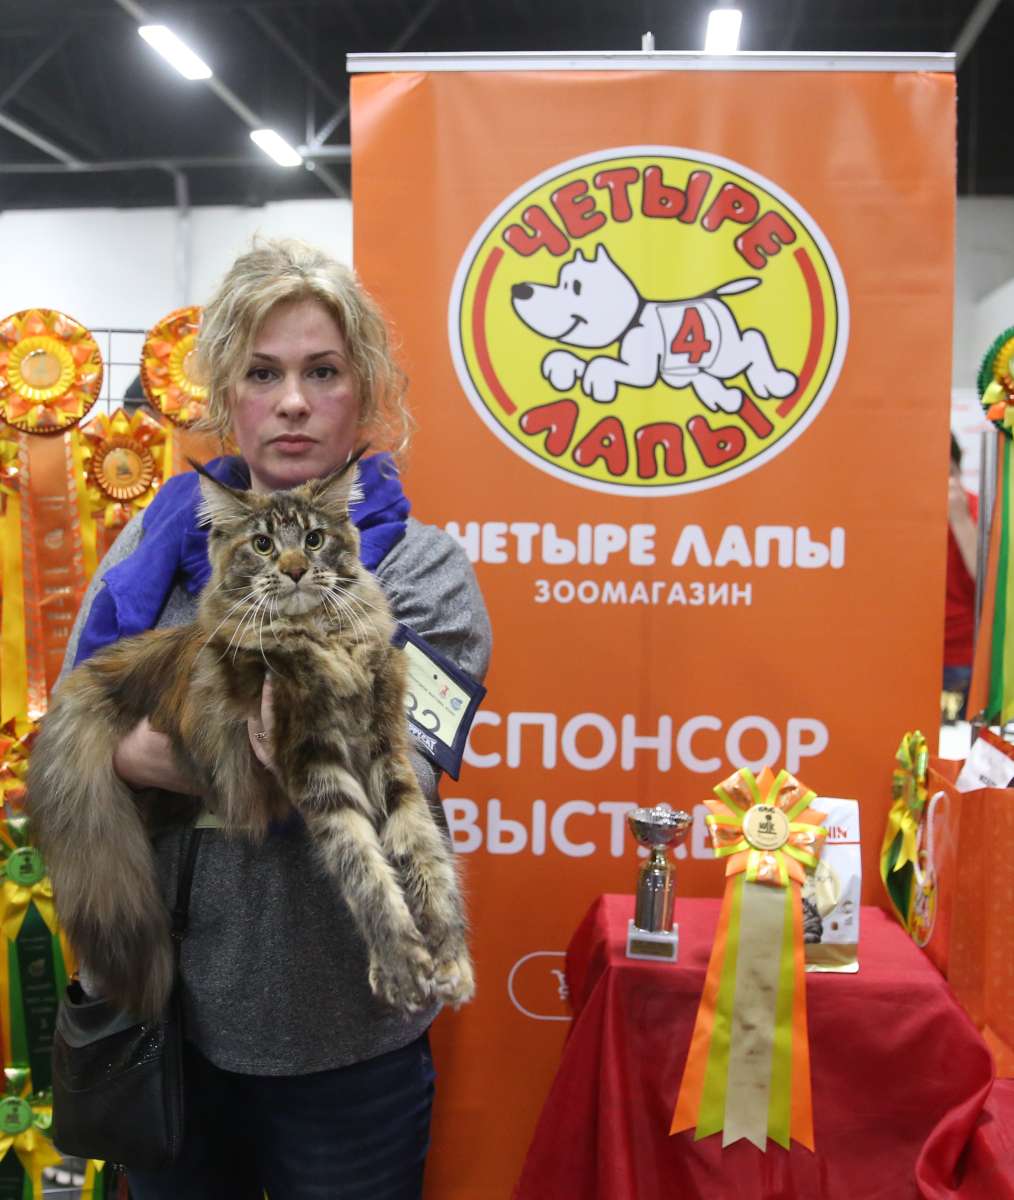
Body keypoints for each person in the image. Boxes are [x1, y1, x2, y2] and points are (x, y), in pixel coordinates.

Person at [59, 238, 492, 1198]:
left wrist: (158, 750)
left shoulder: (422, 569)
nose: (292, 400)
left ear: (363, 389)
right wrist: (147, 749)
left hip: (345, 1034)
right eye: (264, 373)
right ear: (226, 392)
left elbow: (392, 766)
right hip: (169, 1021)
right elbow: (73, 723)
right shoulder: (153, 543)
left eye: (321, 371)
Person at [943, 434, 978, 721]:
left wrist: (960, 519)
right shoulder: (900, 515)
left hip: (964, 658)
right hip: (909, 653)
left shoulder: (979, 508)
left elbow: (990, 582)